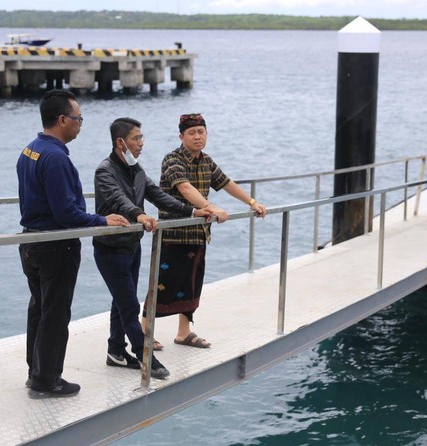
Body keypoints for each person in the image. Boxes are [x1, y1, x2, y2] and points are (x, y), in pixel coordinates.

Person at [17, 89, 129, 399]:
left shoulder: (31, 150)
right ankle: (47, 380)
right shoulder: (55, 158)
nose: (81, 124)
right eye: (78, 118)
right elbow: (66, 213)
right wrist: (102, 220)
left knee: (39, 308)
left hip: (31, 241)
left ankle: (35, 371)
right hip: (56, 245)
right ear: (63, 119)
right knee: (55, 313)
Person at [93, 117, 211, 379]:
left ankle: (115, 351)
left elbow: (159, 196)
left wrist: (193, 210)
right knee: (128, 304)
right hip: (110, 249)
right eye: (137, 138)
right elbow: (118, 200)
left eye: (142, 138)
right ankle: (145, 355)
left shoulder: (136, 170)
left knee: (121, 300)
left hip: (132, 246)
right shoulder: (105, 171)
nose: (141, 143)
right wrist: (139, 215)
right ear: (120, 142)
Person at [142, 113, 267, 349]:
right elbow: (185, 188)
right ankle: (145, 331)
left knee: (191, 284)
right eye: (192, 133)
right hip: (173, 234)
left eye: (201, 132)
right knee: (162, 283)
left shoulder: (207, 161)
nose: (197, 136)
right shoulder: (172, 159)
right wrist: (210, 207)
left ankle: (184, 333)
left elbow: (226, 183)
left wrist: (252, 203)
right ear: (181, 136)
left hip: (198, 233)